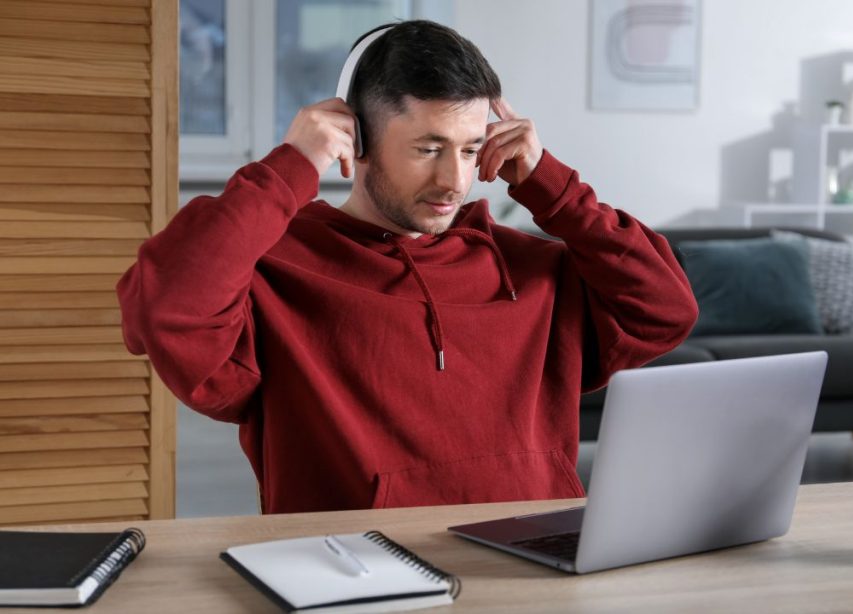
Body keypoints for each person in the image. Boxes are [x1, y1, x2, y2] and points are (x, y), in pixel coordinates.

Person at [117, 20, 697, 514]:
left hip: (532, 567)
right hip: (354, 572)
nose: (455, 182)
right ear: (357, 141)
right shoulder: (276, 271)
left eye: (470, 149)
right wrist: (288, 169)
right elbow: (166, 308)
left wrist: (554, 187)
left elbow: (666, 310)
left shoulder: (534, 269)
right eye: (428, 149)